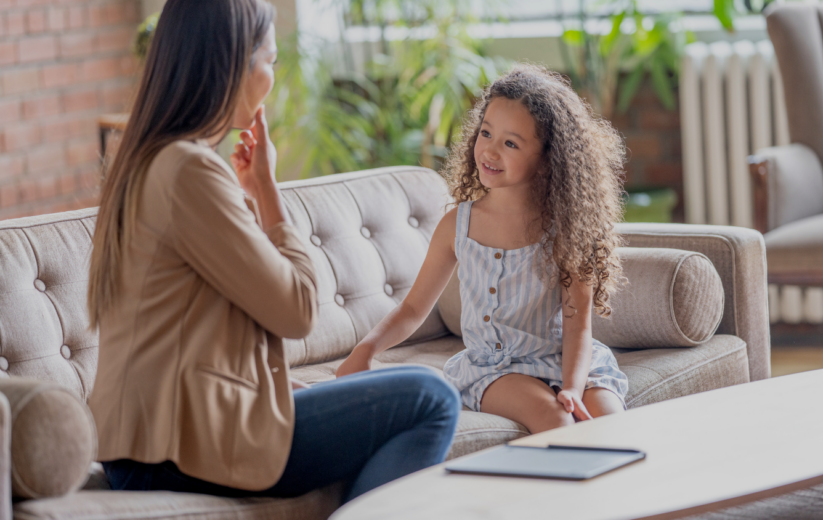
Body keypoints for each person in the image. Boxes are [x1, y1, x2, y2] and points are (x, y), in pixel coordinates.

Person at [87, 0, 459, 503]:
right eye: (271, 61)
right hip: (176, 449)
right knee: (429, 397)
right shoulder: (188, 172)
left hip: (149, 444)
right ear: (233, 65)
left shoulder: (150, 162)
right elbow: (297, 310)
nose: (272, 78)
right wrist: (267, 189)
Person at [337, 64, 629, 434]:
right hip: (495, 370)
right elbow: (412, 309)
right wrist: (364, 350)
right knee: (555, 419)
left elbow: (577, 327)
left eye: (510, 143)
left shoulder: (568, 231)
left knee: (611, 422)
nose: (489, 150)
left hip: (565, 359)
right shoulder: (456, 226)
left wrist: (573, 386)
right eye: (486, 133)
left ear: (547, 160)